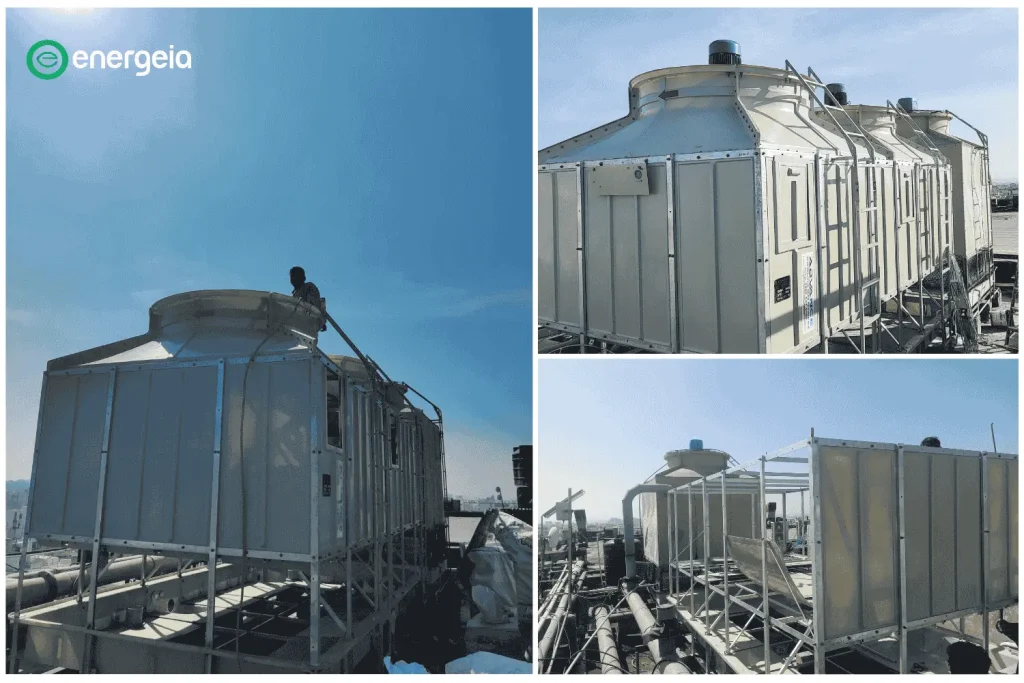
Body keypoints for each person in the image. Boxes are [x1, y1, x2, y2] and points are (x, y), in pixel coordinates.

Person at [289, 266, 327, 331]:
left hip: (309, 321)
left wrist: (321, 320)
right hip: (299, 324)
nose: (294, 278)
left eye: (297, 276)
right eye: (292, 276)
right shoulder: (294, 294)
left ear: (304, 278)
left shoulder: (309, 287)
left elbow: (314, 306)